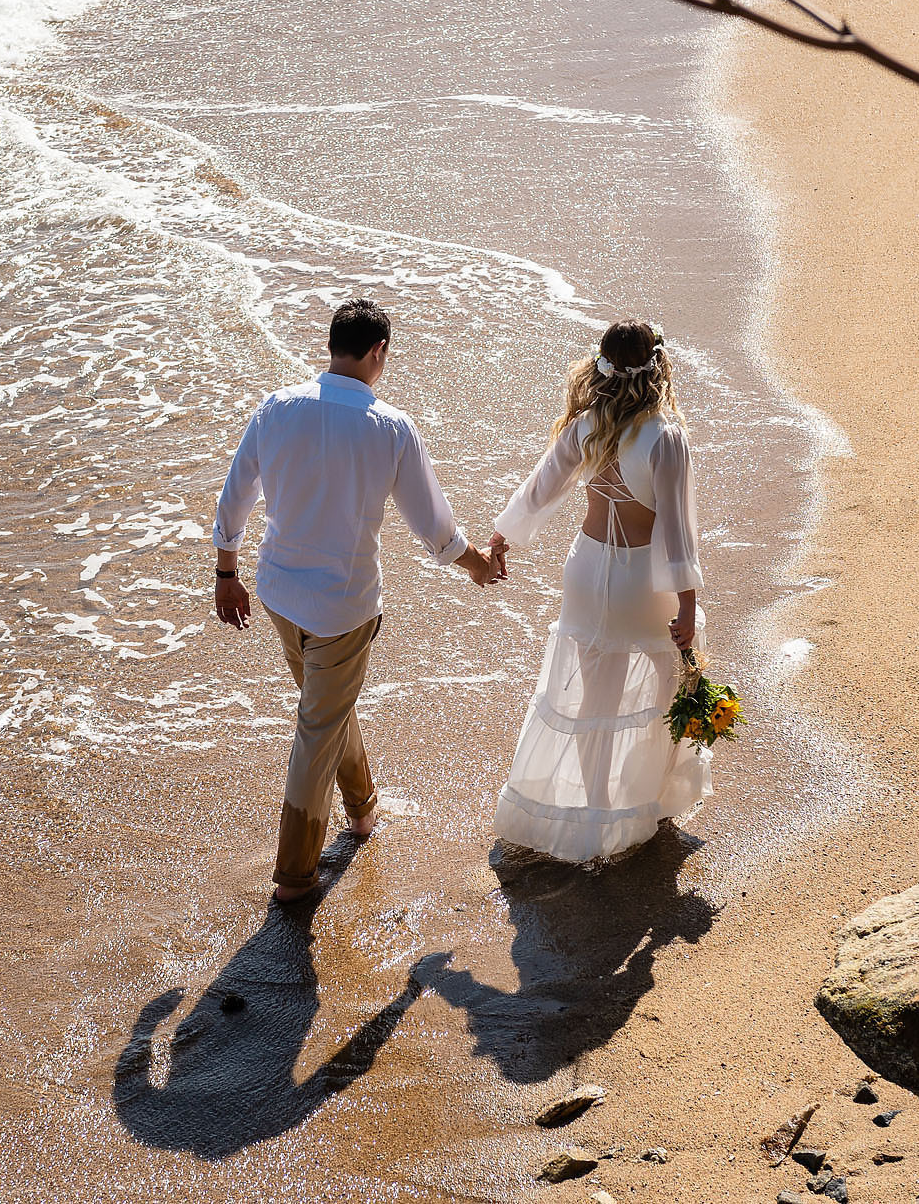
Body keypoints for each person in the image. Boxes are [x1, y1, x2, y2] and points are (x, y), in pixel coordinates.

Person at [213, 298, 494, 902]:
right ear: (377, 352)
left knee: (325, 707)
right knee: (317, 724)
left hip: (278, 596)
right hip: (342, 609)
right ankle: (293, 877)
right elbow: (435, 528)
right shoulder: (391, 427)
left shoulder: (277, 407)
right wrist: (475, 567)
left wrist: (225, 571)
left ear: (332, 344)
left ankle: (363, 809)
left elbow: (235, 495)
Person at [487, 318, 710, 863]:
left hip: (586, 571)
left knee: (593, 696)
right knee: (667, 689)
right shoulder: (666, 436)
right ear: (657, 366)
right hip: (642, 580)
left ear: (602, 367)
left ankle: (595, 806)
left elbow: (540, 489)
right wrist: (688, 606)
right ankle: (651, 803)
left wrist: (501, 539)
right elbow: (677, 532)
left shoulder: (587, 425)